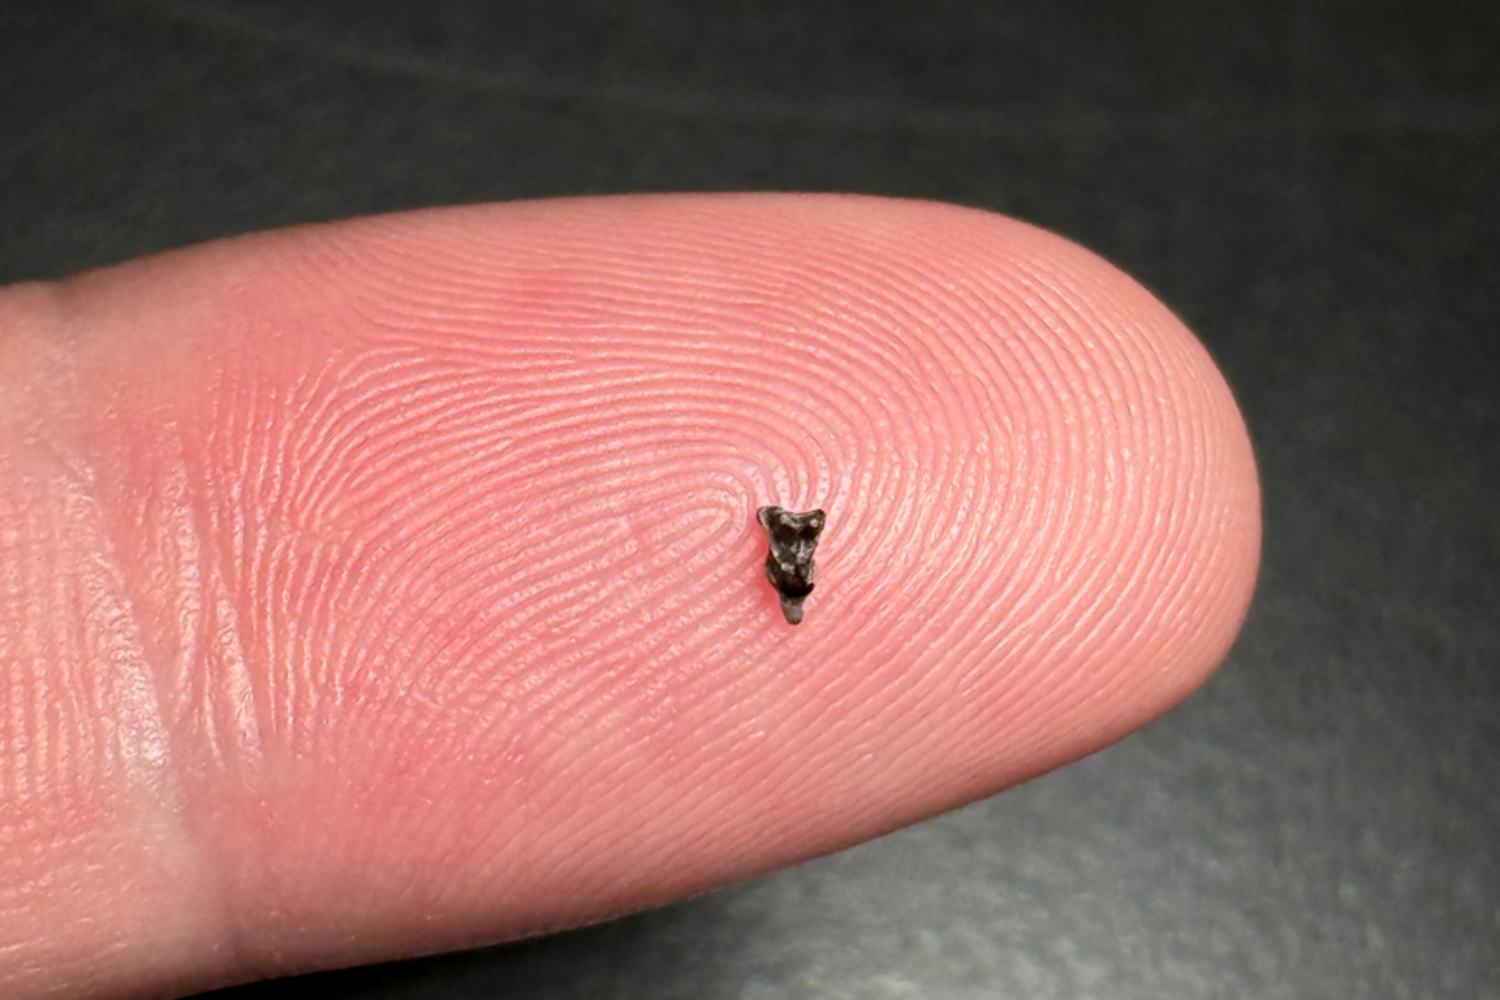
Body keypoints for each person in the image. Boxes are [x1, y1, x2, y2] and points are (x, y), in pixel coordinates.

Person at [0, 193, 1261, 999]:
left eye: (791, 551)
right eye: (788, 549)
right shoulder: (777, 556)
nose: (788, 560)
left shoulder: (790, 562)